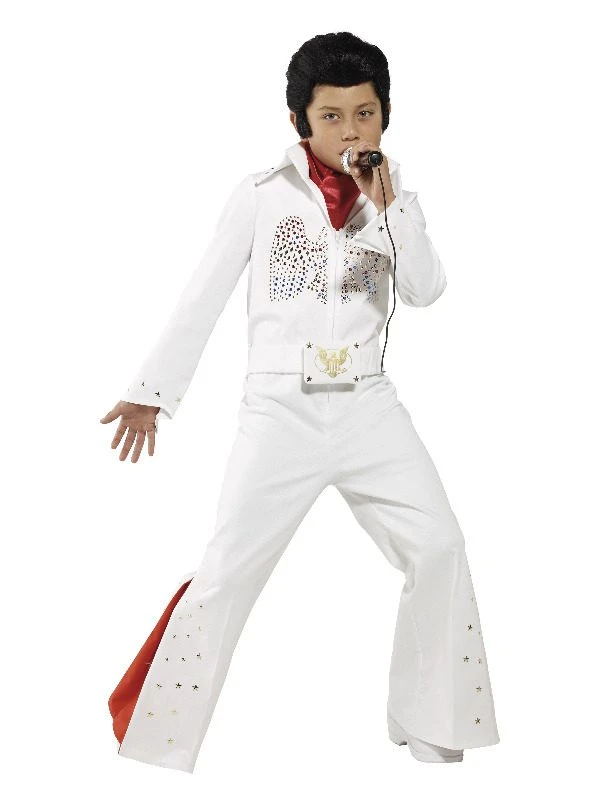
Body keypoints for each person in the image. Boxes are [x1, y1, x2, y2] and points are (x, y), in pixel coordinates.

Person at [102, 31, 500, 773]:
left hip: (369, 406)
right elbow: (204, 293)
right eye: (331, 116)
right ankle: (154, 738)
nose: (350, 132)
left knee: (440, 546)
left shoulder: (397, 200)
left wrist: (389, 207)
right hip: (278, 410)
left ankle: (431, 726)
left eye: (365, 114)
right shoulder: (261, 196)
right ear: (299, 121)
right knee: (227, 570)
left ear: (385, 116)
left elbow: (425, 290)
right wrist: (151, 392)